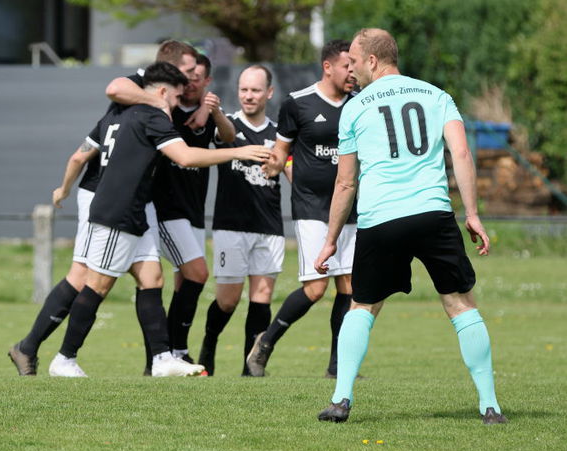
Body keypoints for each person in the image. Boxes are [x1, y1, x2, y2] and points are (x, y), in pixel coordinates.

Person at [314, 29, 506, 425]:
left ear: (372, 61)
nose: (349, 70)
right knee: (460, 305)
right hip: (432, 214)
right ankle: (490, 406)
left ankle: (340, 400)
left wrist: (330, 240)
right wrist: (471, 213)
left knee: (362, 305)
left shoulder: (353, 108)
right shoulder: (437, 95)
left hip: (380, 218)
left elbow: (346, 182)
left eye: (353, 62)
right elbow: (462, 152)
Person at [49, 62, 270, 377]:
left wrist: (63, 189)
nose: (179, 104)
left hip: (134, 211)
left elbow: (79, 155)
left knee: (152, 279)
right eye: (178, 97)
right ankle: (65, 359)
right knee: (96, 285)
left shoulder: (117, 112)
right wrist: (238, 152)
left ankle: (162, 359)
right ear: (164, 92)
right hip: (119, 211)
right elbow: (187, 157)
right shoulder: (153, 116)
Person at [7, 40, 201, 377]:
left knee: (150, 275)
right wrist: (64, 189)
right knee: (86, 277)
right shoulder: (135, 91)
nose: (191, 81)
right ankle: (37, 349)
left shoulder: (162, 104)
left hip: (135, 201)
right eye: (186, 73)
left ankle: (161, 358)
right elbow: (112, 92)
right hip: (106, 196)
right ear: (166, 72)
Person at [246, 39, 358, 378]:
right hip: (310, 206)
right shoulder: (298, 103)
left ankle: (337, 368)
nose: (352, 72)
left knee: (349, 287)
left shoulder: (361, 104)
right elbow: (282, 150)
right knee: (316, 287)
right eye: (346, 66)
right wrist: (274, 164)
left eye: (356, 66)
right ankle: (265, 343)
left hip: (350, 206)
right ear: (328, 66)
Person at [197, 64, 284, 376]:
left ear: (268, 93)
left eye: (256, 90)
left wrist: (283, 165)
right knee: (228, 300)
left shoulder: (278, 134)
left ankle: (252, 366)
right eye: (244, 89)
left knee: (262, 297)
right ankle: (208, 346)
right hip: (231, 226)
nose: (249, 95)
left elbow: (291, 169)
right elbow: (223, 134)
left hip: (269, 226)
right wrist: (217, 112)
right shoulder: (227, 125)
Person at [152, 53, 235, 366]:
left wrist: (211, 110)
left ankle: (171, 352)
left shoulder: (210, 111)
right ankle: (172, 353)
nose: (189, 84)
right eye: (185, 77)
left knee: (185, 282)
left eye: (196, 78)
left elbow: (228, 137)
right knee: (197, 273)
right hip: (166, 207)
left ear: (207, 82)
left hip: (194, 208)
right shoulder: (165, 108)